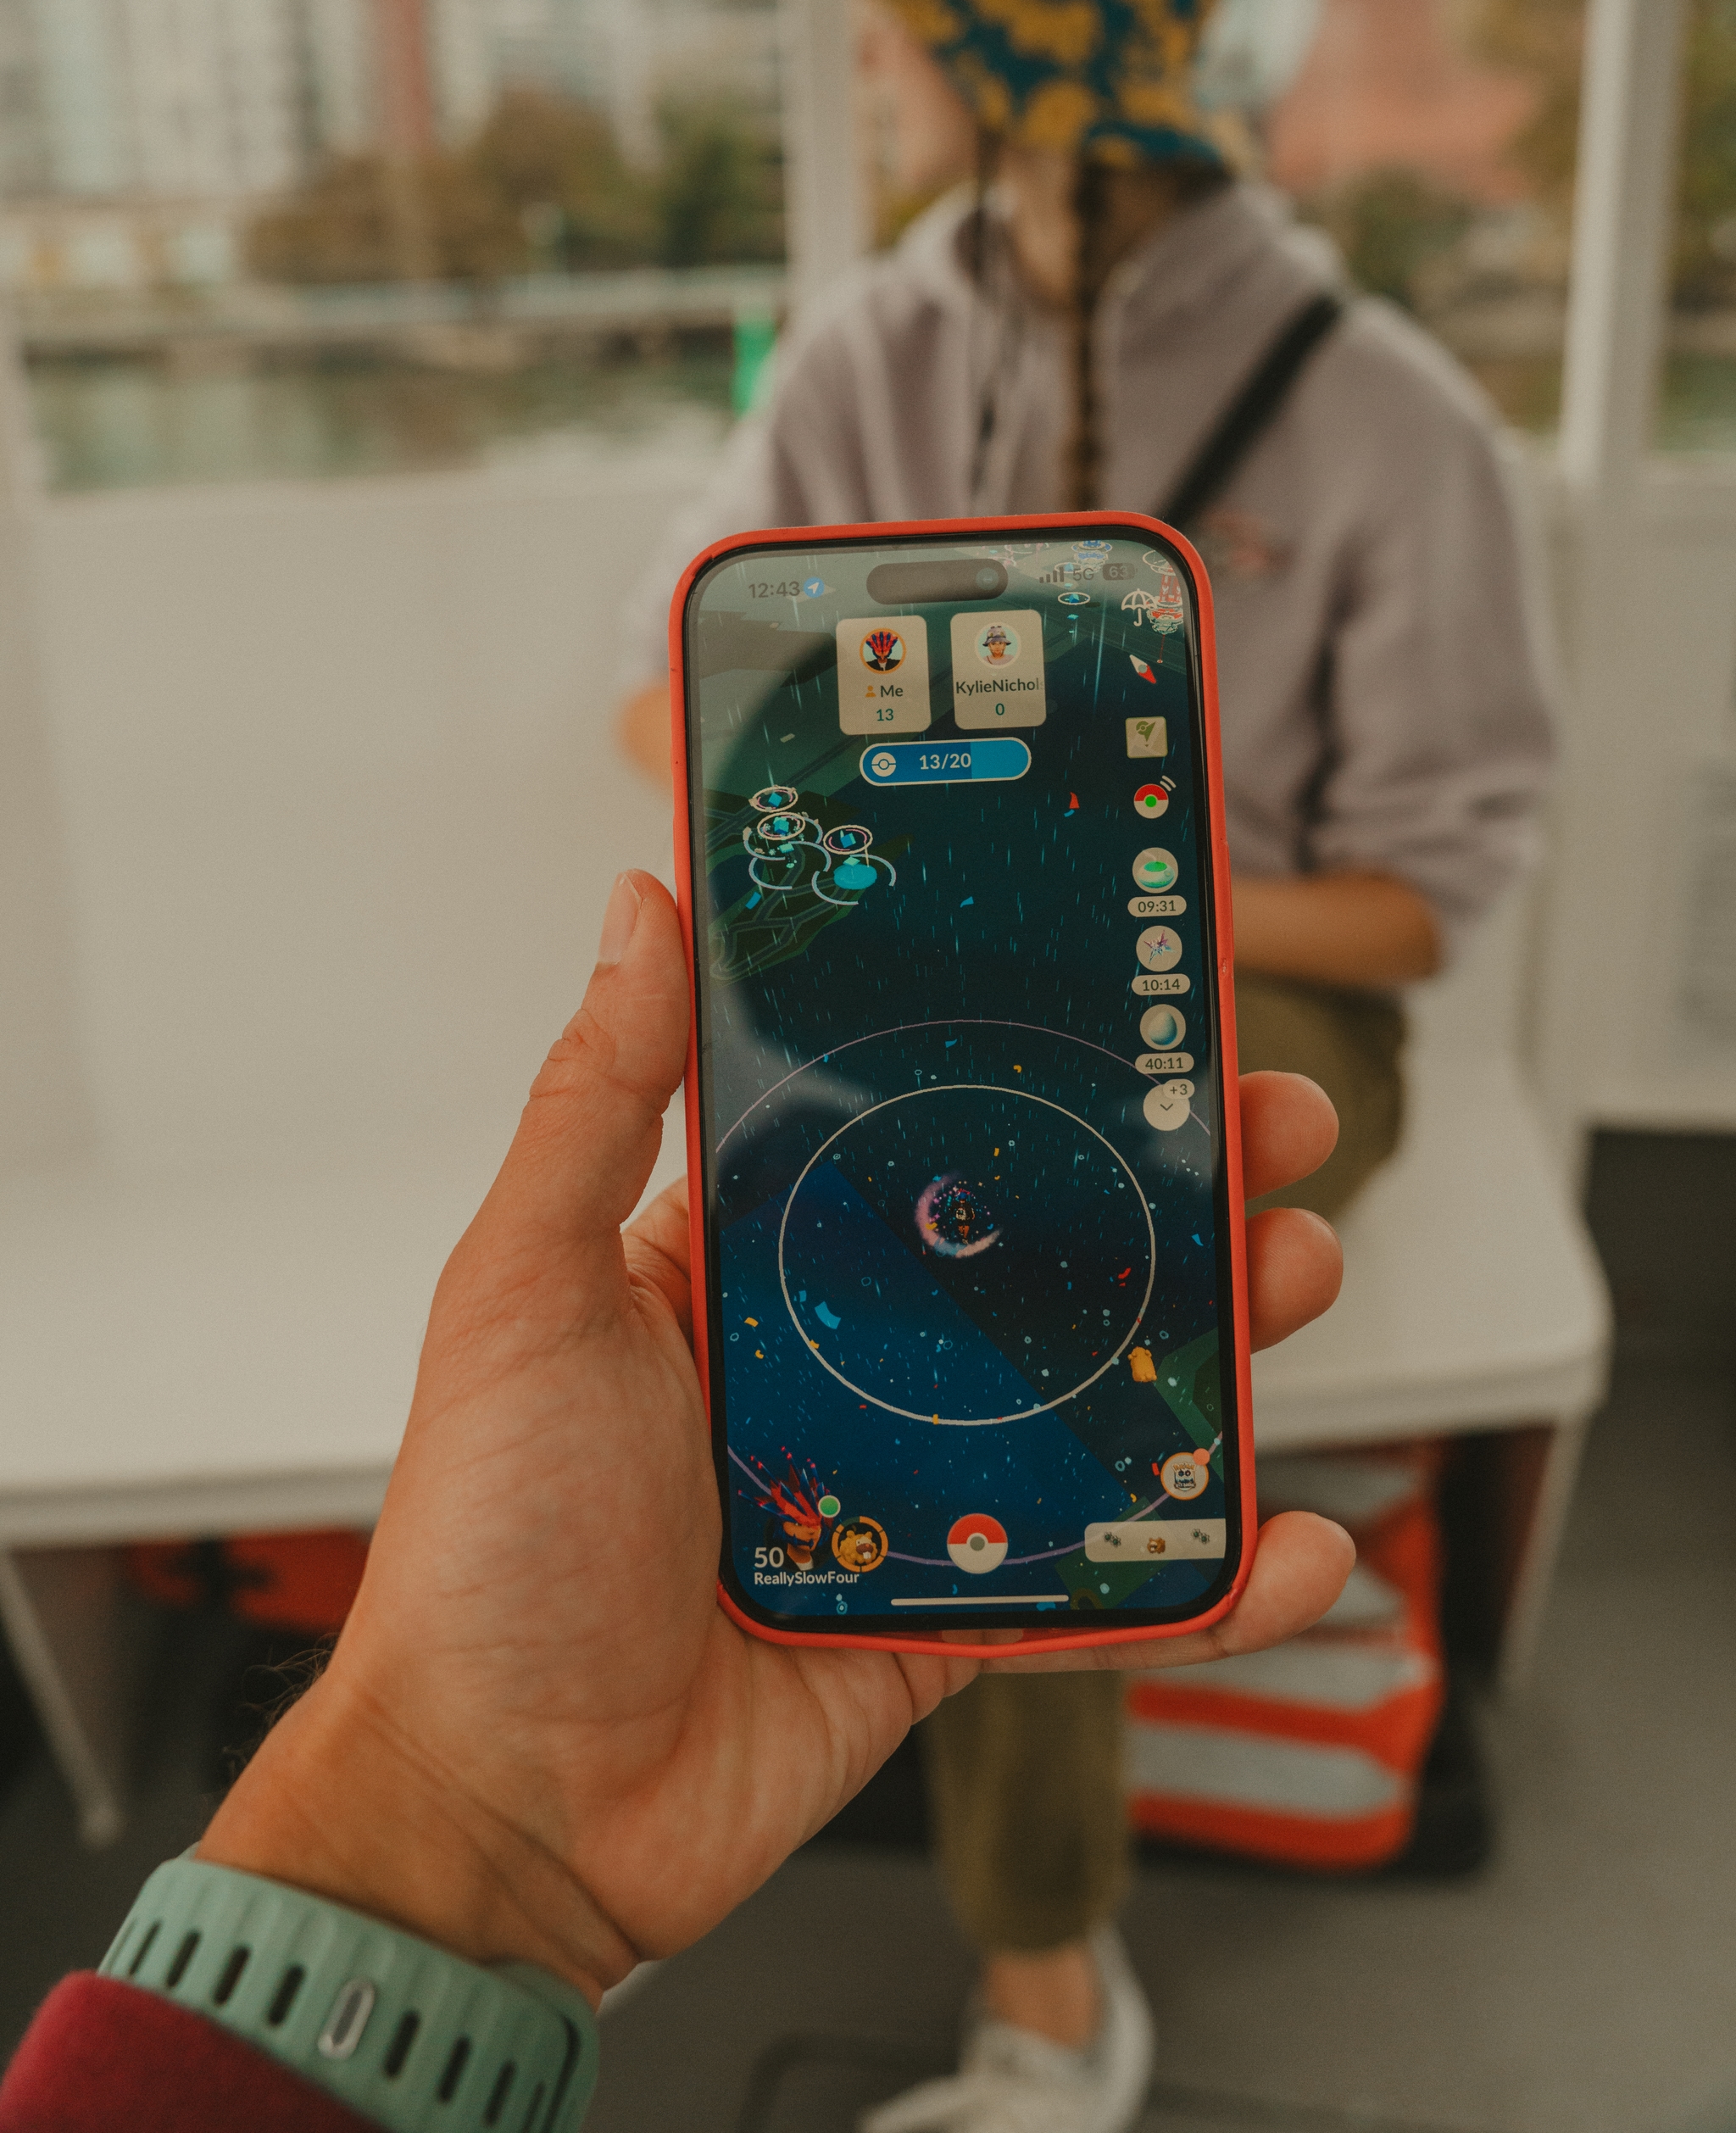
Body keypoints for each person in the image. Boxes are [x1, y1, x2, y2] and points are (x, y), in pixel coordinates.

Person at [615, 0, 1554, 2130]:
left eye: (893, 18)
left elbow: (1418, 900)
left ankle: (1046, 1986)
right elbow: (672, 692)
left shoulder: (1392, 418)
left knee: (1028, 1262)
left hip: (1260, 980)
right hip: (922, 967)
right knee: (824, 1193)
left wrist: (1095, 894)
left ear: (995, 38)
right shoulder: (862, 349)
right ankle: (681, 1756)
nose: (867, 68)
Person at [0, 872, 1355, 2132]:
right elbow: (683, 730)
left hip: (1170, 989)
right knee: (995, 1422)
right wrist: (473, 1835)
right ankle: (523, 1919)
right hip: (908, 1005)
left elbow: (1421, 906)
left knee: (1066, 1410)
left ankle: (1028, 1946)